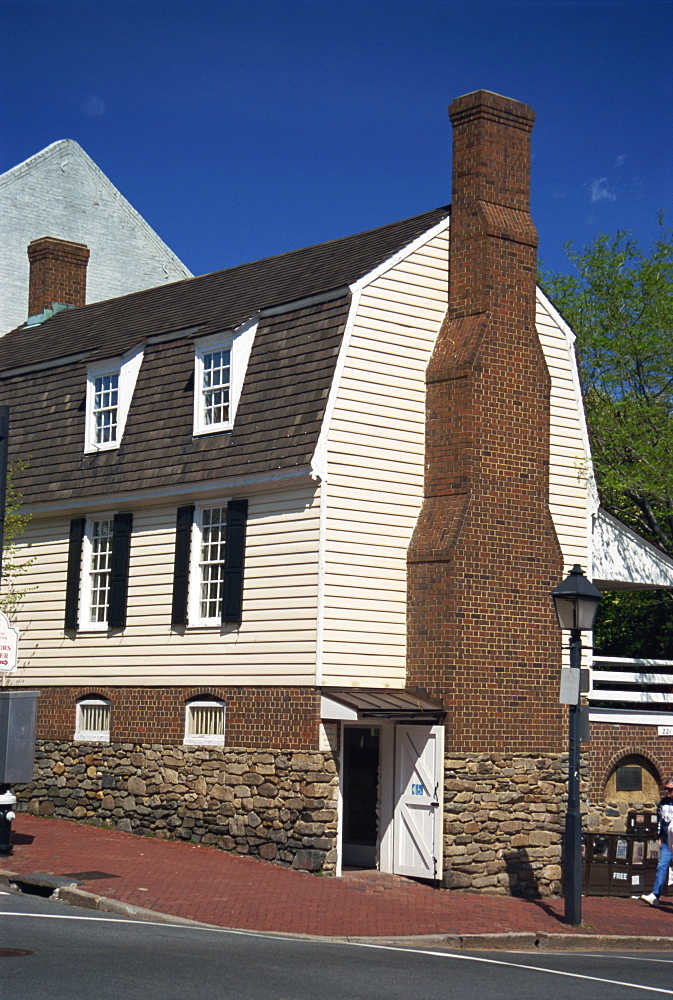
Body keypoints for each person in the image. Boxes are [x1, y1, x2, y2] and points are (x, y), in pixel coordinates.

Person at [641, 779, 673, 906]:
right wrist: (660, 836)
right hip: (666, 840)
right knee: (661, 866)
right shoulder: (663, 803)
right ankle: (655, 895)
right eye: (666, 789)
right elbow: (660, 820)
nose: (667, 792)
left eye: (670, 789)